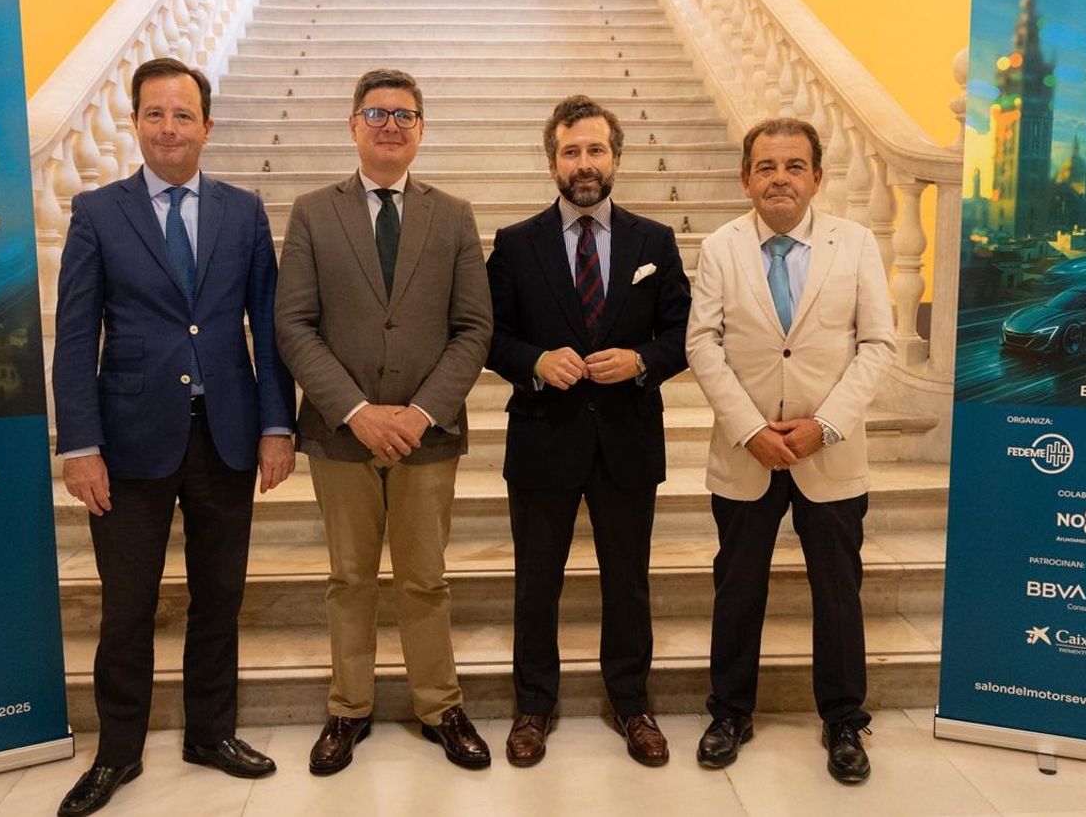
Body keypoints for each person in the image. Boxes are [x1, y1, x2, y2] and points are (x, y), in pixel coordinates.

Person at [51, 58, 296, 816]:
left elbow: (270, 324)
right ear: (135, 124)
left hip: (225, 434)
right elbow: (74, 335)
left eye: (183, 115)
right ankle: (118, 753)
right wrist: (79, 444)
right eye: (154, 114)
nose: (169, 128)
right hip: (127, 443)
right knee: (127, 605)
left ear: (207, 126)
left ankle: (209, 733)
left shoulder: (243, 212)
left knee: (218, 596)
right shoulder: (97, 212)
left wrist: (276, 424)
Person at [274, 68, 493, 774]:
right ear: (353, 125)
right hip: (341, 436)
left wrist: (423, 412)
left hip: (430, 438)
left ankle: (440, 704)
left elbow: (473, 328)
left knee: (426, 579)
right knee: (349, 578)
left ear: (422, 129)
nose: (391, 125)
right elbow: (294, 325)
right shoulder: (312, 212)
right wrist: (359, 412)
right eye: (377, 113)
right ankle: (348, 708)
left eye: (404, 115)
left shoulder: (453, 214)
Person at [685, 117, 895, 783]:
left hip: (828, 453)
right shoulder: (720, 247)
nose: (780, 177)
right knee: (737, 588)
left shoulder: (856, 244)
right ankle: (730, 712)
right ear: (746, 177)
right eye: (767, 166)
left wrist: (824, 424)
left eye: (794, 165)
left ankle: (843, 721)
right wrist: (750, 428)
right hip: (746, 452)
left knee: (838, 592)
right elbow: (703, 343)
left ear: (817, 177)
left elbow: (879, 346)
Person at [485, 95, 689, 767]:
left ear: (616, 157)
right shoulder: (515, 245)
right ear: (552, 161)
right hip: (544, 436)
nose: (583, 163)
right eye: (570, 151)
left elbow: (685, 333)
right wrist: (535, 362)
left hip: (627, 437)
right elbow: (489, 336)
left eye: (595, 149)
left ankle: (631, 702)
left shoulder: (653, 242)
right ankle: (532, 706)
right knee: (535, 581)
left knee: (626, 580)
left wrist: (642, 362)